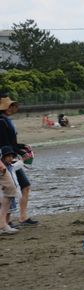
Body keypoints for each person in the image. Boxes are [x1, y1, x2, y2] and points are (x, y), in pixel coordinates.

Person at [0, 96, 33, 225]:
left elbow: (11, 143)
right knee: (10, 189)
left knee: (23, 186)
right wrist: (18, 151)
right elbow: (4, 143)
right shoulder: (2, 122)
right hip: (6, 159)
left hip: (10, 157)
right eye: (8, 106)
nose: (11, 108)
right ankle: (5, 222)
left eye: (11, 106)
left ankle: (22, 217)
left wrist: (22, 147)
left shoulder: (6, 121)